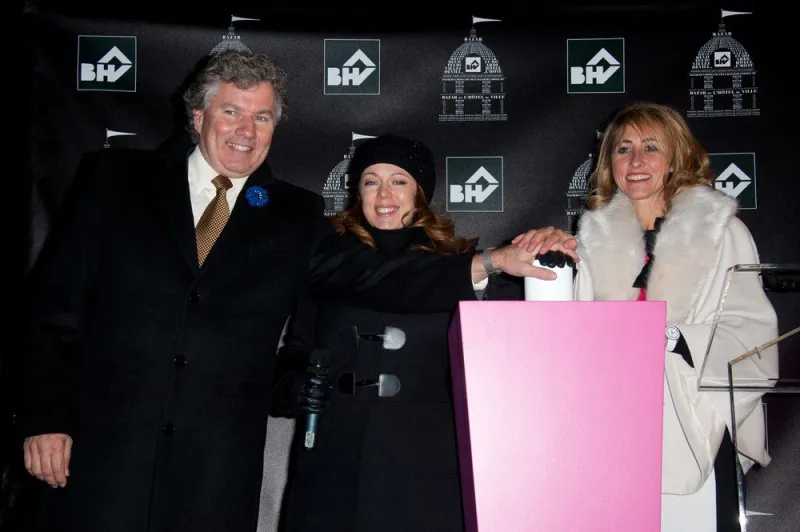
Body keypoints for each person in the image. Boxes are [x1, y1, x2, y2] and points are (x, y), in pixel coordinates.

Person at [16, 50, 576, 532]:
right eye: (232, 111)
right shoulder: (114, 180)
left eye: (262, 117)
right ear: (197, 116)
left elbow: (376, 276)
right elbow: (52, 308)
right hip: (99, 456)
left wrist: (492, 261)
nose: (246, 130)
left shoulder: (293, 213)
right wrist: (45, 417)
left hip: (214, 475)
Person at [272, 134, 578, 532]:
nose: (384, 194)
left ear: (420, 191)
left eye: (398, 180)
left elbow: (524, 349)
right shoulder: (327, 262)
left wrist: (547, 244)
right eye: (371, 181)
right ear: (357, 192)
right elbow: (291, 359)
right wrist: (295, 387)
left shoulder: (460, 267)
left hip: (424, 479)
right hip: (331, 473)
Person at [570, 101, 778, 532]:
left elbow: (753, 337)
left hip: (696, 425)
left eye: (651, 147)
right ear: (609, 163)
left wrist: (677, 339)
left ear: (676, 158)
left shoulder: (722, 232)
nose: (636, 161)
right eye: (623, 149)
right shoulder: (590, 242)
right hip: (615, 433)